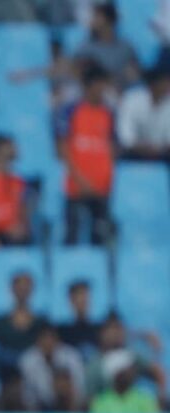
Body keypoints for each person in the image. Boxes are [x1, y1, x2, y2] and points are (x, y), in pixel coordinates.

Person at [58, 64, 116, 246]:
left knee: (100, 240)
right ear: (87, 86)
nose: (102, 90)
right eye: (99, 85)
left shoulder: (109, 114)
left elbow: (112, 148)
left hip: (101, 188)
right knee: (72, 238)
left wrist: (107, 178)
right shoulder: (70, 111)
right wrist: (79, 179)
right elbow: (63, 148)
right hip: (77, 186)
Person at [19, 323, 86, 411]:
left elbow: (80, 385)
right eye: (44, 338)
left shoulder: (71, 356)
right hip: (39, 406)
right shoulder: (27, 360)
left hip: (69, 404)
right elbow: (28, 393)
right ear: (37, 341)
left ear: (58, 340)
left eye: (51, 338)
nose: (48, 342)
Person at [75, 2, 139, 91]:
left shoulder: (126, 47)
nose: (93, 20)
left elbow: (136, 73)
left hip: (125, 91)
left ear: (109, 20)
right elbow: (80, 73)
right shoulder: (86, 48)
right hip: (97, 92)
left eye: (97, 16)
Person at [0, 272, 47, 364]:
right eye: (19, 287)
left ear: (32, 289)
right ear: (12, 289)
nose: (23, 290)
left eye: (26, 287)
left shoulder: (42, 323)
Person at [117, 67, 170, 160]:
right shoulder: (132, 99)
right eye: (165, 83)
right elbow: (125, 135)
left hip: (162, 157)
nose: (168, 87)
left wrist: (157, 149)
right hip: (132, 155)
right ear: (153, 84)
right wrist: (140, 147)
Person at [90, 349, 162, 413]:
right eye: (127, 370)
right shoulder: (101, 402)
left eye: (132, 369)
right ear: (116, 374)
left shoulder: (145, 399)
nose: (132, 373)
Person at [57, 280, 101, 358]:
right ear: (71, 300)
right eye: (79, 296)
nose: (83, 300)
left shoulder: (99, 330)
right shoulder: (62, 332)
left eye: (86, 296)